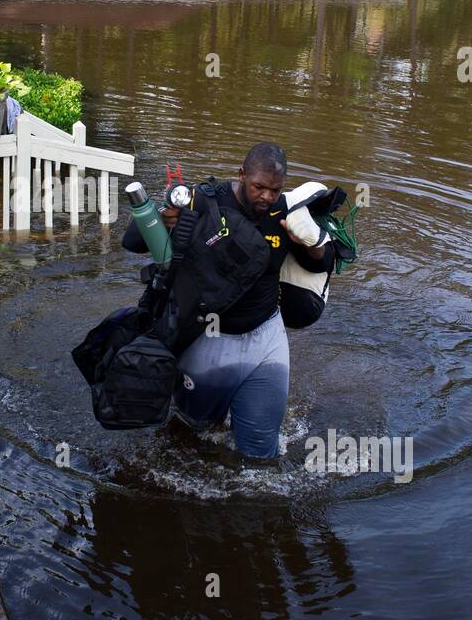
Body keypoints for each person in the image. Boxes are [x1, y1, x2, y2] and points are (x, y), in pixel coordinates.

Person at [120, 143, 333, 460]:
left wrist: (313, 241)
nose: (266, 197)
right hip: (206, 340)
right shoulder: (201, 200)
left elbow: (321, 263)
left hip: (266, 339)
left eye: (274, 190)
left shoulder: (284, 213)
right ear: (241, 175)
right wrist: (162, 220)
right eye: (258, 187)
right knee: (194, 436)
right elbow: (132, 242)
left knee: (261, 453)